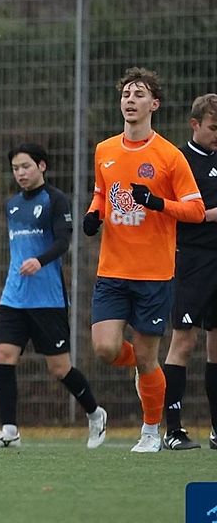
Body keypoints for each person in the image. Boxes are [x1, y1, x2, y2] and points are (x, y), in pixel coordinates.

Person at [82, 66, 204, 453]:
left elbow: (196, 210)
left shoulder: (170, 156)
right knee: (104, 348)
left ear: (155, 104)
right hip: (112, 270)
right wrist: (93, 213)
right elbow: (103, 193)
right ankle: (146, 368)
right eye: (126, 95)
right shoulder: (105, 150)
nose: (130, 100)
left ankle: (151, 430)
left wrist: (156, 203)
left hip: (153, 274)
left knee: (150, 357)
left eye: (139, 95)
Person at [0, 143, 107, 449]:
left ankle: (95, 413)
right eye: (15, 168)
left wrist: (40, 260)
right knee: (3, 356)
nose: (20, 173)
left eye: (26, 166)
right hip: (14, 297)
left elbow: (64, 242)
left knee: (59, 368)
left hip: (47, 299)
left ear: (42, 166)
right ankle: (9, 430)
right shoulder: (11, 204)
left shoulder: (55, 200)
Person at [161, 93, 217, 450]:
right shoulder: (178, 161)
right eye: (214, 127)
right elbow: (172, 211)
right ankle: (174, 429)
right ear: (194, 125)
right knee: (184, 340)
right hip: (191, 259)